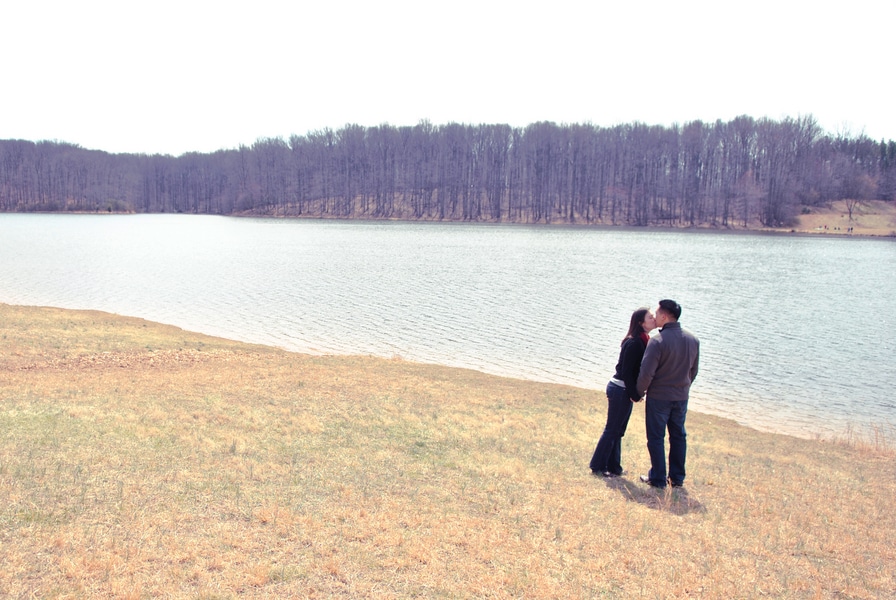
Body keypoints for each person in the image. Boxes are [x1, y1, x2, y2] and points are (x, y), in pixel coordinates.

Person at [637, 299, 700, 489]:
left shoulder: (657, 341)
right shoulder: (693, 340)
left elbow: (646, 372)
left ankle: (657, 478)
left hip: (659, 398)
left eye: (656, 314)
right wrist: (683, 387)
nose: (654, 317)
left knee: (656, 437)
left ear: (664, 316)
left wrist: (639, 392)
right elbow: (693, 371)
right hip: (681, 397)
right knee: (678, 436)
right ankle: (677, 478)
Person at [589, 307, 657, 477]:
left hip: (623, 388)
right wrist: (635, 393)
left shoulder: (643, 339)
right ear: (641, 322)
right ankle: (597, 465)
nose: (654, 318)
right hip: (620, 388)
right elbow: (627, 372)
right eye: (650, 317)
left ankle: (614, 467)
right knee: (612, 429)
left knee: (619, 430)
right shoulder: (634, 342)